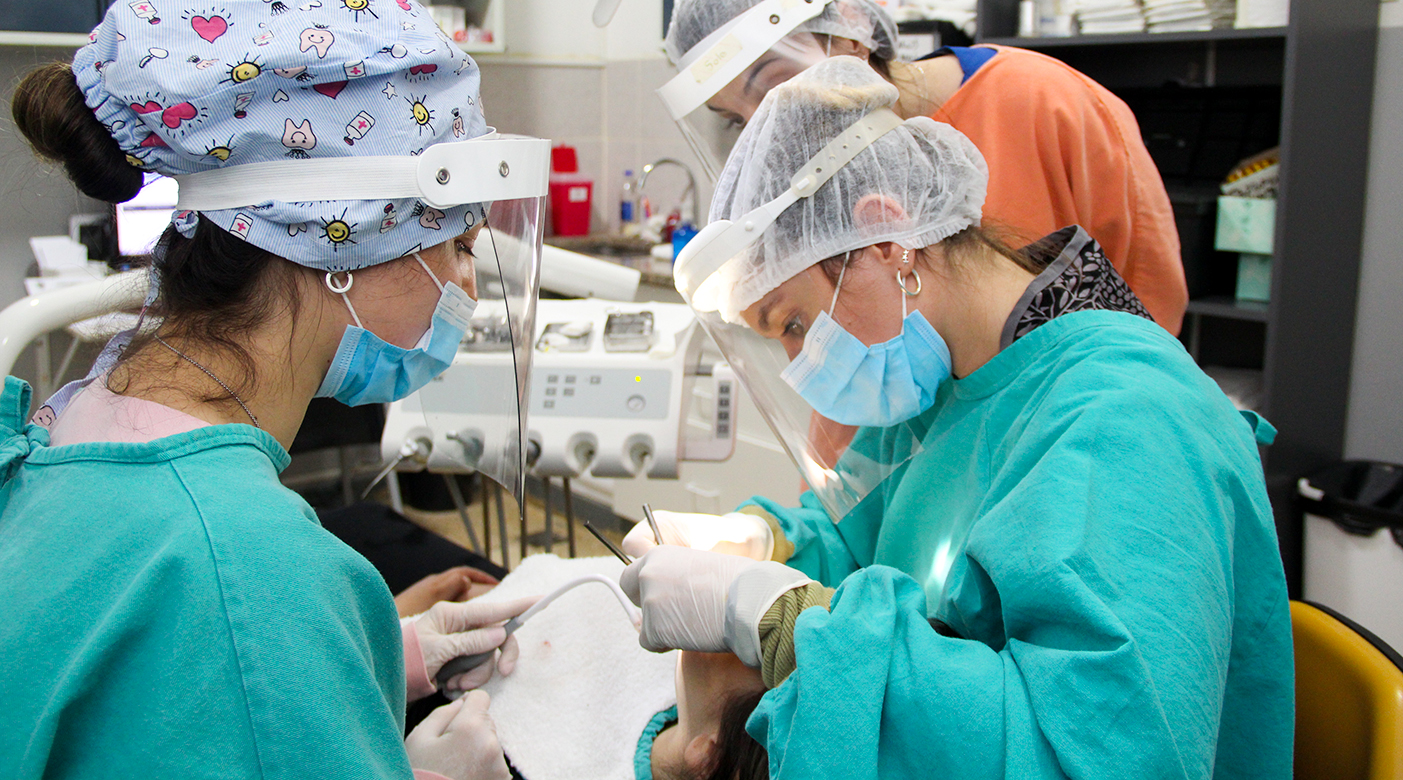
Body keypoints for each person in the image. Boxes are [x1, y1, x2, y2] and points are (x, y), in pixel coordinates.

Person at [621, 58, 1293, 778]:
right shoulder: (944, 384)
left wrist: (781, 617)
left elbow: (1093, 754)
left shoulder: (1128, 423)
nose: (800, 362)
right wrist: (761, 544)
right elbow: (864, 545)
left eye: (792, 323)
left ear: (884, 240)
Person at [0, 1, 550, 778]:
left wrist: (370, 652)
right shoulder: (247, 570)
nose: (467, 282)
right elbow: (234, 641)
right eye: (458, 242)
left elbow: (153, 695)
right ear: (344, 241)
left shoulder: (83, 420)